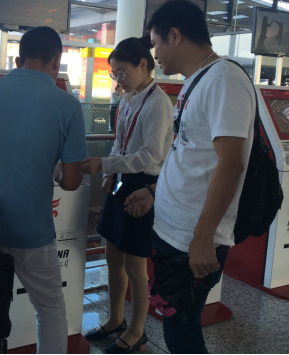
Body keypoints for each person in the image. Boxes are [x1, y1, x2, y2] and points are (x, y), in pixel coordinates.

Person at [124, 0, 256, 354]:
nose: (154, 54)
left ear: (175, 36)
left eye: (156, 44)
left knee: (182, 334)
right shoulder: (199, 80)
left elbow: (231, 164)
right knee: (178, 327)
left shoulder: (224, 80)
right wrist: (155, 190)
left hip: (191, 239)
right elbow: (190, 155)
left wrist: (203, 237)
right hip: (175, 232)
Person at [0, 26, 88, 354]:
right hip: (32, 230)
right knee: (50, 308)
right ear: (56, 61)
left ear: (18, 59)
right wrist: (53, 170)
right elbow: (72, 181)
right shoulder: (68, 105)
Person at [81, 37, 173, 354]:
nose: (118, 79)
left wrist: (106, 165)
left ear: (143, 65)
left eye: (122, 72)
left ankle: (137, 331)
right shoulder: (127, 99)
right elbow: (119, 144)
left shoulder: (158, 103)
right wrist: (110, 172)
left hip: (143, 186)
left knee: (135, 265)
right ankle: (115, 319)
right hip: (121, 181)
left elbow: (150, 156)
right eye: (114, 73)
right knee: (112, 257)